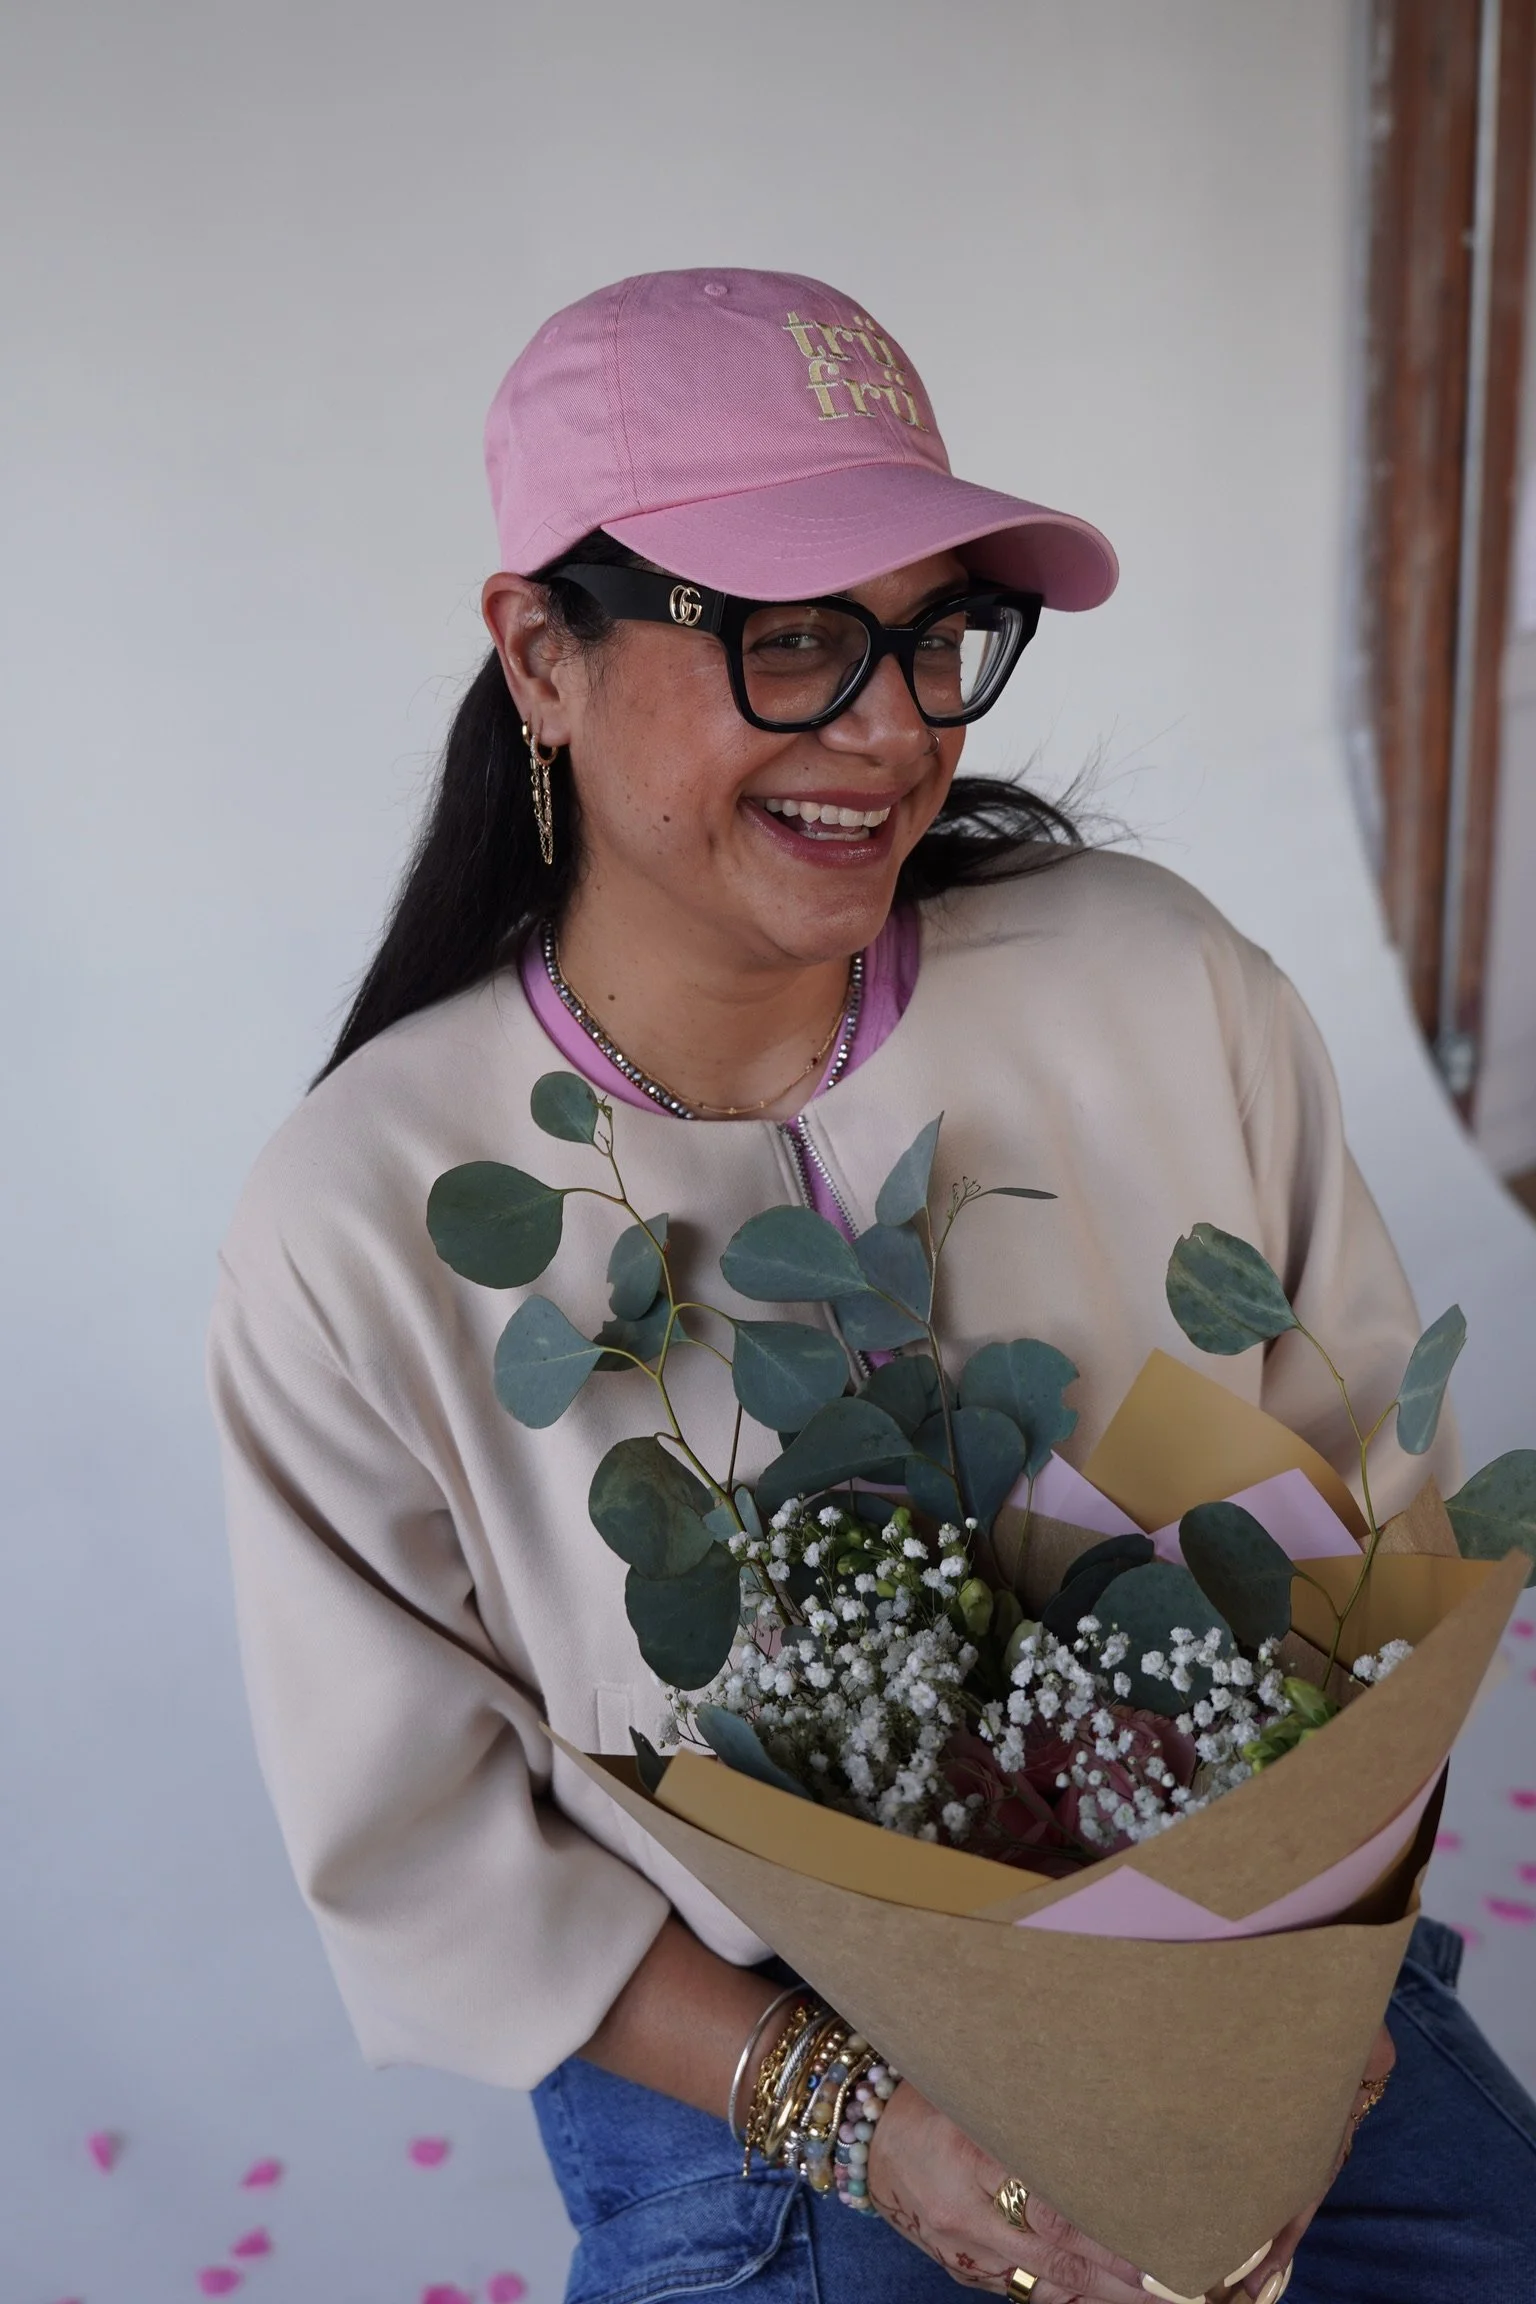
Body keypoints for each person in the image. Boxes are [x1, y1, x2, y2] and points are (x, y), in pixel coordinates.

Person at [207, 269, 1536, 2304]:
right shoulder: (363, 1217)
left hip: (1281, 2000)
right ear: (541, 656)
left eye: (933, 634)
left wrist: (1316, 1989)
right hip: (752, 2110)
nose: (900, 724)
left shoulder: (1158, 985)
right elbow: (432, 1854)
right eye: (796, 637)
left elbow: (1379, 1533)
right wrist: (863, 2122)